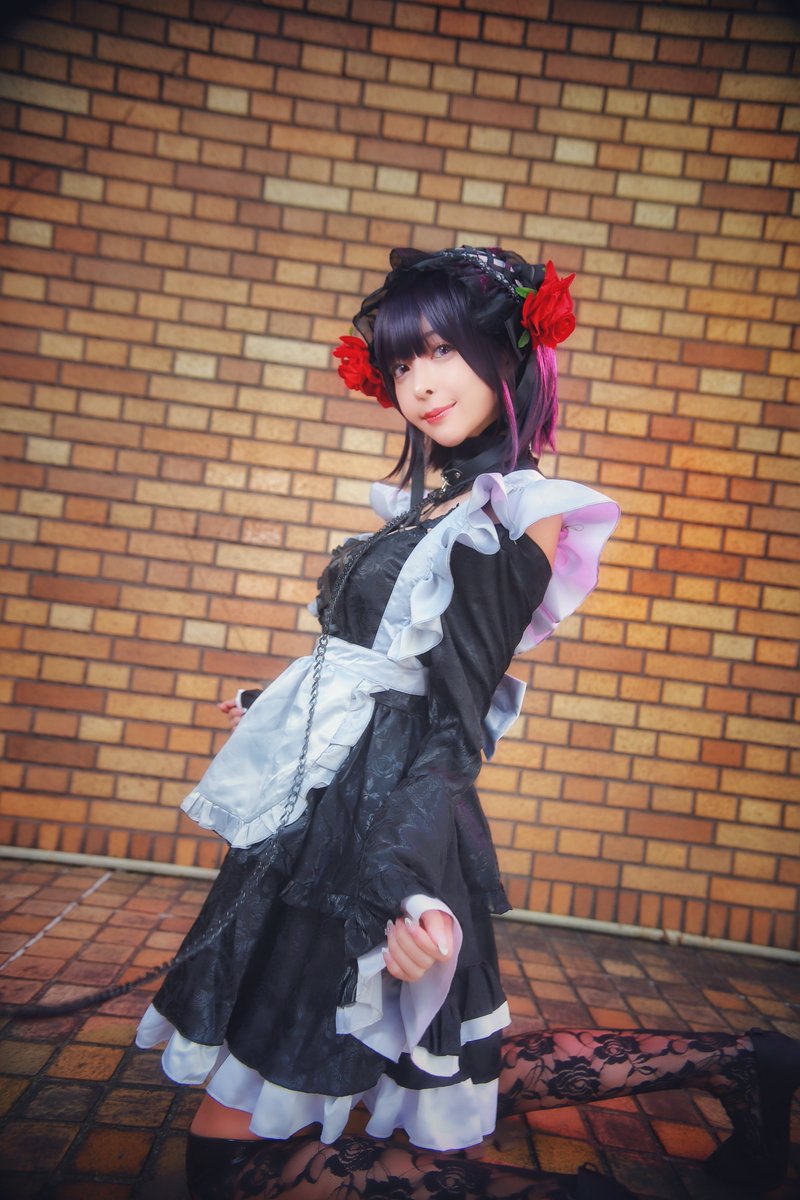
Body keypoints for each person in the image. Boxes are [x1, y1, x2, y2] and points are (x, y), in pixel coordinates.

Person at [131, 247, 799, 1200]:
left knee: (233, 1166)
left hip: (379, 832)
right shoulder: (440, 501)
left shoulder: (512, 509)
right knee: (426, 1057)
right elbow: (382, 665)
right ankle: (744, 1063)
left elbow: (456, 717)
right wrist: (270, 703)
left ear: (506, 353)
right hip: (336, 809)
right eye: (402, 361)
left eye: (442, 350)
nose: (419, 382)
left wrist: (407, 887)